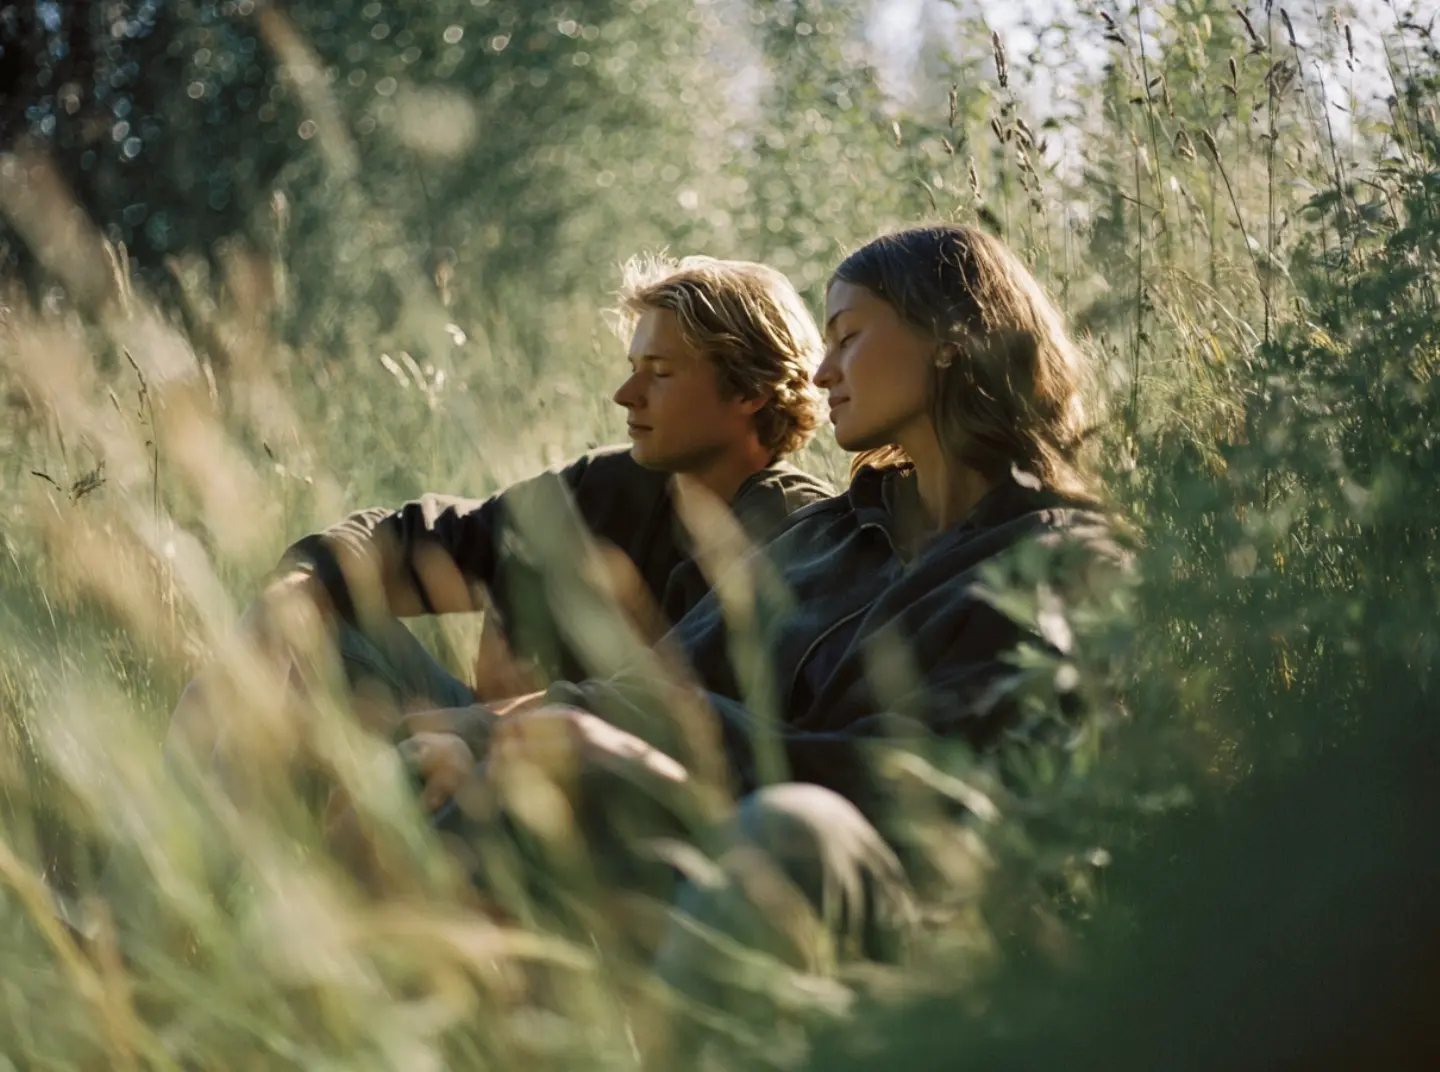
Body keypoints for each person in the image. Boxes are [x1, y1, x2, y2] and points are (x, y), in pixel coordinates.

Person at [399, 225, 1125, 1019]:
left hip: (905, 917)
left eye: (848, 337)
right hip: (717, 849)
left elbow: (932, 803)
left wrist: (662, 769)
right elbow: (658, 691)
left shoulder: (1060, 559)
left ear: (950, 340)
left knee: (786, 832)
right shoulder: (833, 535)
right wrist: (480, 736)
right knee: (449, 787)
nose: (822, 370)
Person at [166, 254, 834, 766]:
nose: (625, 394)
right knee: (303, 623)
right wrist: (296, 589)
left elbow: (679, 710)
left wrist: (473, 725)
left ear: (749, 389)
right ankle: (153, 906)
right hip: (502, 744)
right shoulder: (611, 484)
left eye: (660, 372)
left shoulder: (799, 534)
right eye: (633, 366)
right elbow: (432, 537)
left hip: (624, 791)